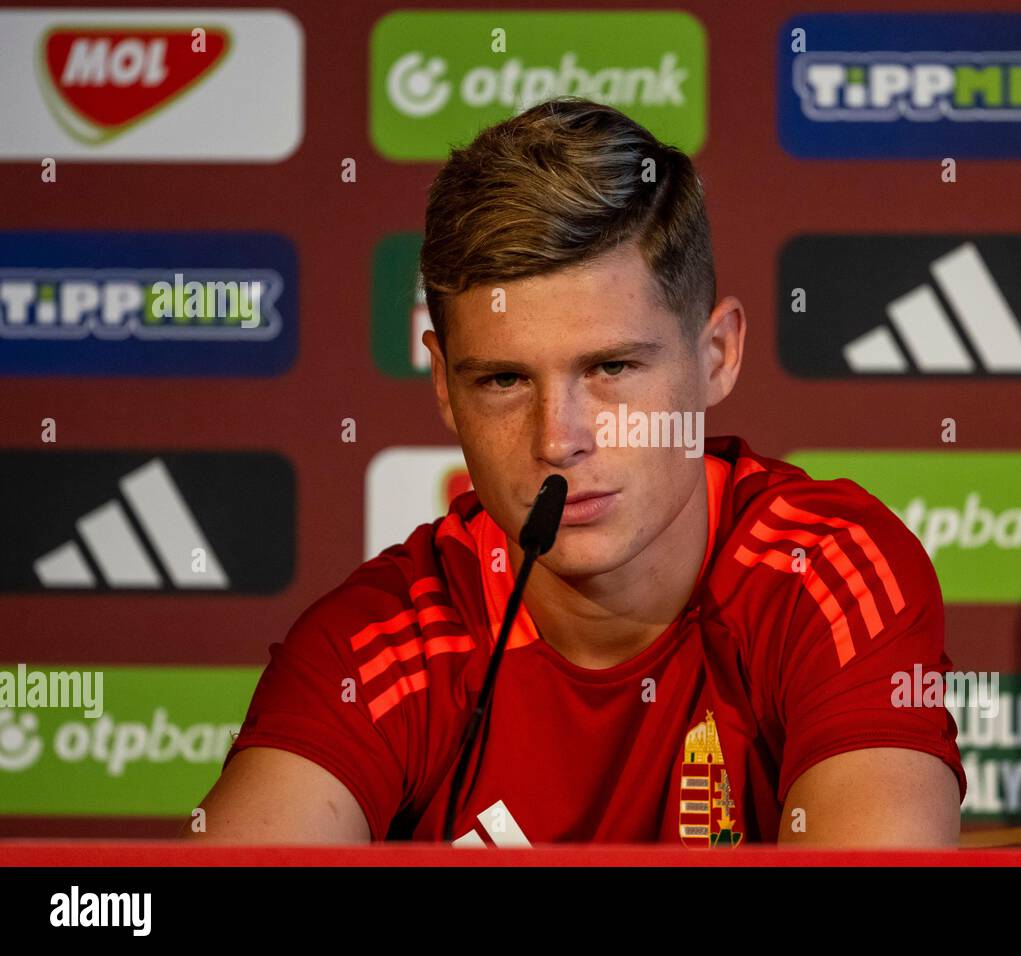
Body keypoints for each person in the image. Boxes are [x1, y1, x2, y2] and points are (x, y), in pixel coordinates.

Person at [185, 97, 965, 846]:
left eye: (612, 367)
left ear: (715, 355)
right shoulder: (377, 645)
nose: (559, 440)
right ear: (443, 387)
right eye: (503, 381)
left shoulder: (826, 576)